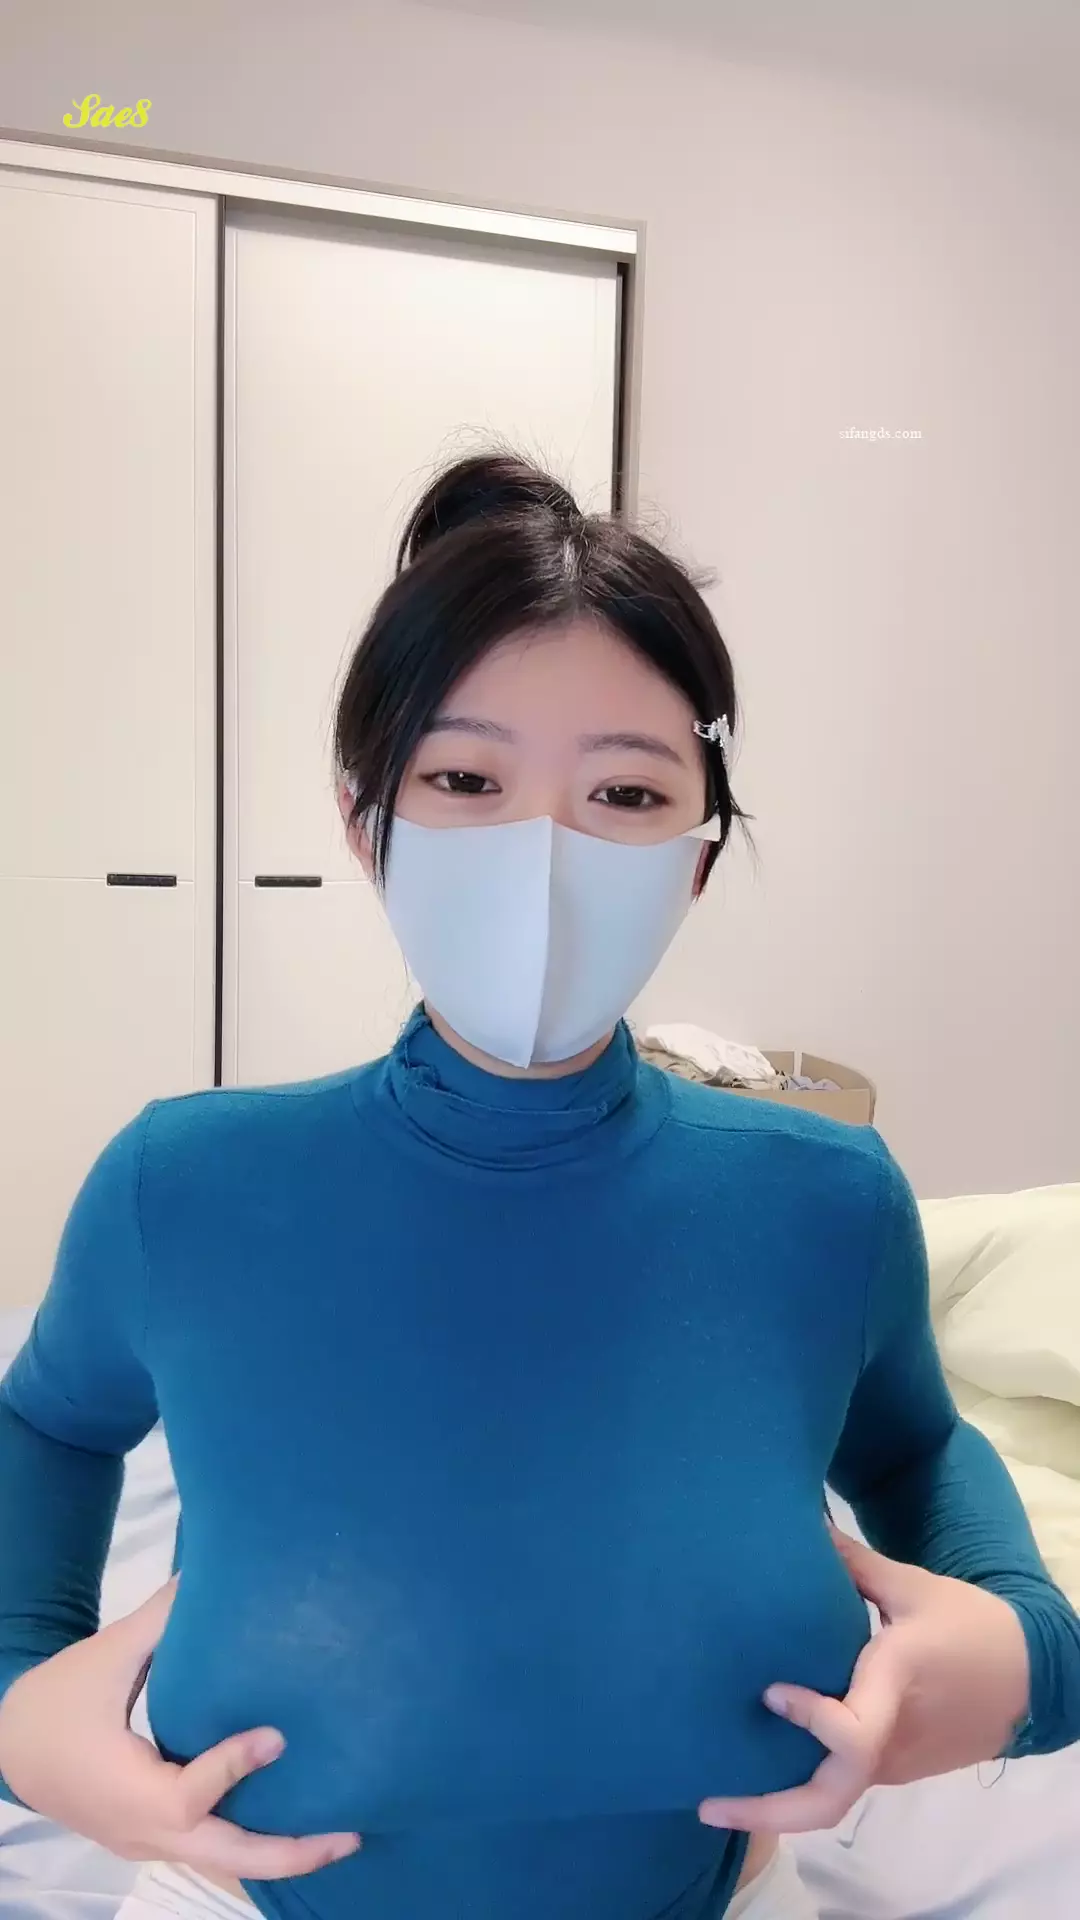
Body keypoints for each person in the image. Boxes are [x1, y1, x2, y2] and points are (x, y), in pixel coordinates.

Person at [1, 452, 1078, 1920]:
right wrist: (20, 1692)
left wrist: (1028, 1644)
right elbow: (50, 1422)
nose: (545, 856)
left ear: (700, 855)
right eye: (464, 779)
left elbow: (916, 1444)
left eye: (627, 792)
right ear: (364, 815)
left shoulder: (826, 1200)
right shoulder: (181, 1186)